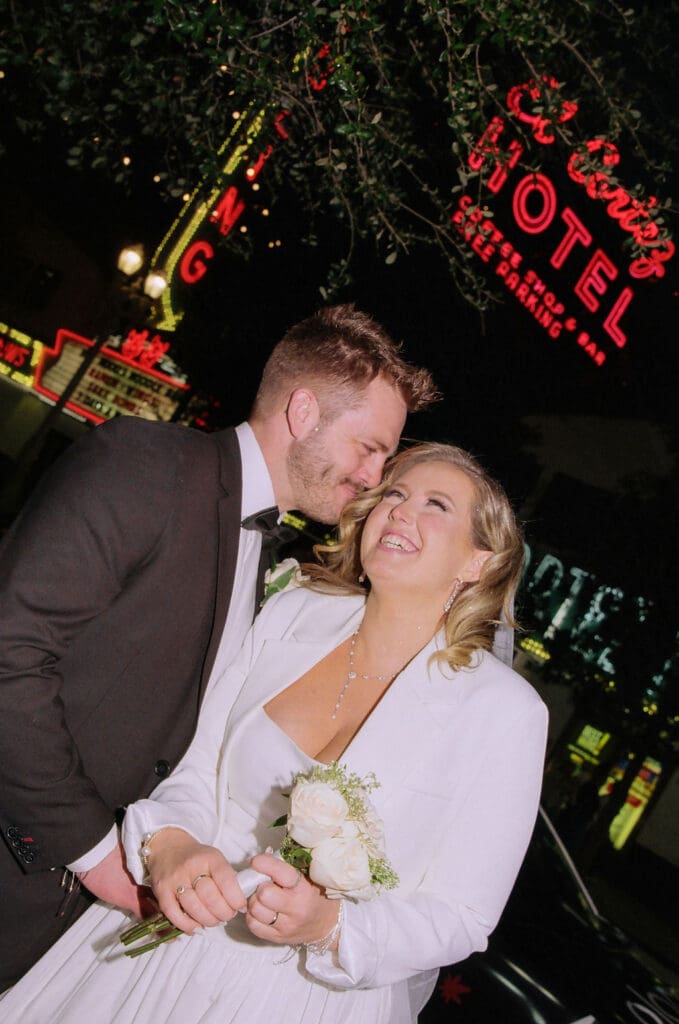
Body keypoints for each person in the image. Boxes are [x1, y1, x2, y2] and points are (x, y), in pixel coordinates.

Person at [0, 442, 548, 1023]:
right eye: (394, 494)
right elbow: (198, 758)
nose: (400, 512)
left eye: (436, 504)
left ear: (479, 562)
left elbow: (463, 914)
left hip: (300, 996)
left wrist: (330, 926)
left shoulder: (505, 712)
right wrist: (171, 843)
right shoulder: (294, 613)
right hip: (164, 936)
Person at [0, 304, 438, 987]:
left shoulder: (268, 553)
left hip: (60, 917)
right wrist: (89, 851)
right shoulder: (147, 463)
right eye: (370, 447)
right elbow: (9, 652)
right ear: (302, 412)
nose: (374, 477)